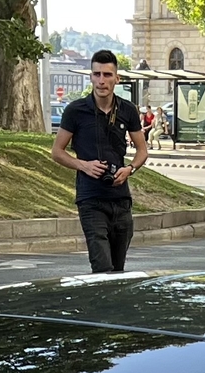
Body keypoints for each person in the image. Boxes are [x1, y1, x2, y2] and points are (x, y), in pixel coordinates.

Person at [51, 49, 146, 274]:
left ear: (116, 79)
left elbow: (142, 150)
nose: (101, 80)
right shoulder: (76, 110)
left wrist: (129, 169)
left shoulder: (127, 110)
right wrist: (84, 165)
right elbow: (57, 151)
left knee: (117, 270)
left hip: (121, 200)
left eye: (107, 75)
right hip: (91, 199)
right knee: (102, 267)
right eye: (96, 74)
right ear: (91, 77)